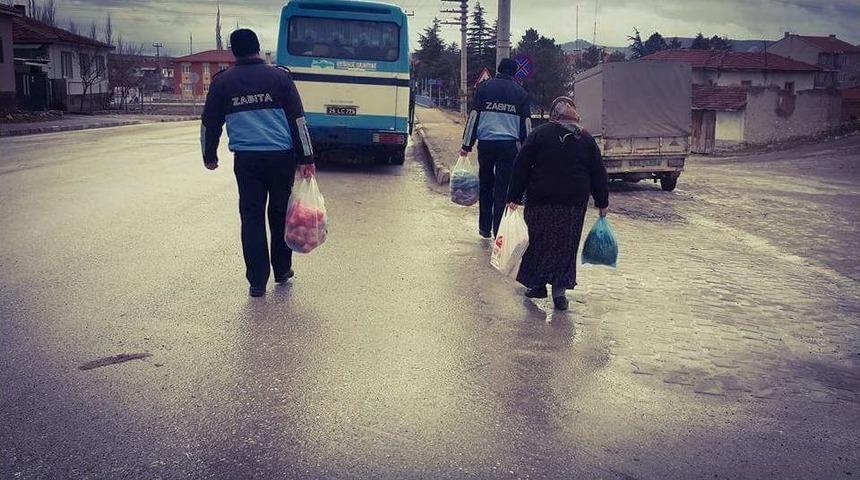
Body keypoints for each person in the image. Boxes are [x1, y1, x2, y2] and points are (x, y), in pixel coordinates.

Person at [201, 29, 316, 297]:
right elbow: (298, 122)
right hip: (281, 159)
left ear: (233, 51)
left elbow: (210, 124)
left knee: (251, 218)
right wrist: (306, 158)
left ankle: (256, 282)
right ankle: (282, 270)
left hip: (247, 160)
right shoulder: (280, 78)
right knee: (279, 215)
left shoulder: (222, 83)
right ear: (257, 47)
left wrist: (209, 154)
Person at [505, 96, 609, 311]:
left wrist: (513, 197)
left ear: (554, 115)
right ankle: (559, 295)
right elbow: (598, 172)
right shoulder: (586, 139)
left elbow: (521, 166)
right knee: (565, 246)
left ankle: (538, 284)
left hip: (541, 200)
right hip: (572, 204)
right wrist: (602, 202)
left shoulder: (539, 134)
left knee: (538, 242)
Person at [460, 58, 531, 238]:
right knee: (502, 188)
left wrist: (466, 146)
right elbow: (526, 126)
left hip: (486, 144)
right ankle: (498, 228)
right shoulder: (521, 93)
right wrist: (528, 153)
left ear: (498, 69)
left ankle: (484, 228)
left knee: (485, 184)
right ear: (514, 73)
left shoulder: (483, 89)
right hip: (509, 147)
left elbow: (473, 118)